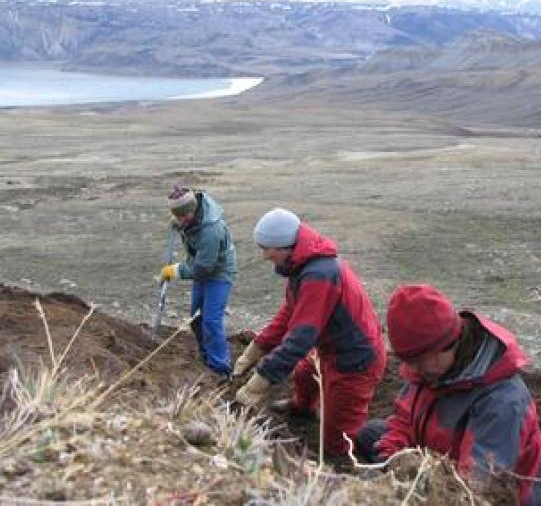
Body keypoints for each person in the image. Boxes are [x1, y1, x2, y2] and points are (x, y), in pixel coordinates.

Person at [357, 284, 541, 506]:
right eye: (409, 362)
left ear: (447, 344)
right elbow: (404, 420)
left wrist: (412, 493)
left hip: (495, 490)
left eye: (418, 362)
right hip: (442, 456)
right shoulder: (431, 368)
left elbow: (477, 485)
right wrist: (389, 462)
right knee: (372, 434)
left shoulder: (502, 399)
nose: (413, 369)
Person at [233, 208, 386, 457]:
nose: (264, 256)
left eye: (266, 249)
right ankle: (302, 408)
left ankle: (344, 465)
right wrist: (254, 351)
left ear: (284, 247)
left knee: (338, 438)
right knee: (305, 374)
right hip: (331, 348)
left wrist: (261, 379)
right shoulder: (302, 266)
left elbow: (300, 339)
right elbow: (288, 316)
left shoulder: (319, 275)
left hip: (355, 359)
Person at [159, 185, 237, 379]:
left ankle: (220, 368)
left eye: (184, 216)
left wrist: (175, 270)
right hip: (201, 267)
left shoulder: (210, 230)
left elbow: (203, 268)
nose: (181, 220)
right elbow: (189, 227)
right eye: (178, 216)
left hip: (218, 272)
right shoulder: (190, 217)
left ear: (193, 210)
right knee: (196, 317)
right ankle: (206, 357)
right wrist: (180, 222)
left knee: (211, 319)